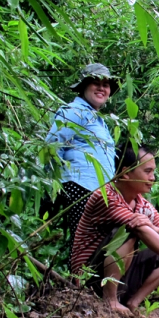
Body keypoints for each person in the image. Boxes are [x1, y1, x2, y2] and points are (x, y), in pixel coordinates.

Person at [71, 143, 159, 317]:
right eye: (147, 172)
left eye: (153, 172)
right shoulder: (106, 195)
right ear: (126, 172)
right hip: (88, 279)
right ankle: (110, 301)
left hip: (117, 277)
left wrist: (153, 228)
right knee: (128, 230)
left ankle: (133, 302)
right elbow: (137, 228)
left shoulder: (141, 203)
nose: (153, 177)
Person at [45, 63, 120, 252]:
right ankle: (78, 280)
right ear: (84, 86)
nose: (101, 88)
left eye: (106, 84)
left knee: (99, 243)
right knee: (84, 242)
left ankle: (88, 280)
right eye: (95, 82)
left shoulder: (96, 118)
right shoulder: (75, 111)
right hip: (81, 187)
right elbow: (52, 146)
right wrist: (52, 186)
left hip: (98, 191)